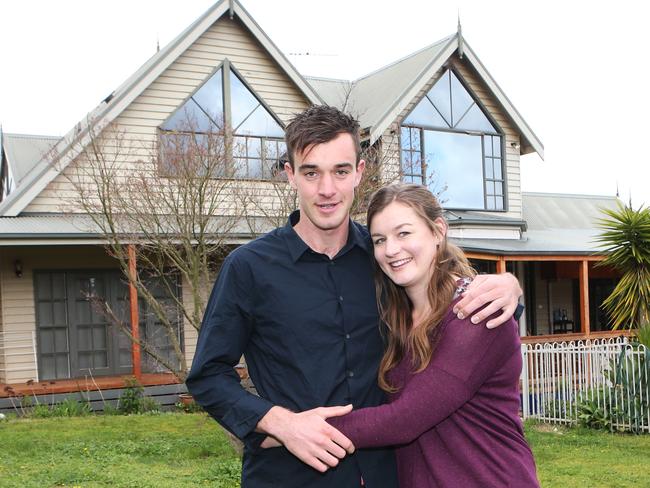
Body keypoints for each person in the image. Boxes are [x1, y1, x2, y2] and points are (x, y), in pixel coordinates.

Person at [185, 105, 523, 488]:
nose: (327, 189)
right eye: (311, 172)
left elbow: (451, 305)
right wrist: (282, 424)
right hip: (291, 477)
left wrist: (509, 287)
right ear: (290, 175)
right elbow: (208, 375)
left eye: (340, 171)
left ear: (359, 173)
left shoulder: (385, 257)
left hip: (386, 475)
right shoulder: (248, 268)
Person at [325, 183, 539, 487]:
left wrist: (295, 430)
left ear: (437, 231)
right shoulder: (394, 318)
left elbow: (405, 419)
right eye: (379, 240)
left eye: (404, 233)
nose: (391, 250)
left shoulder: (475, 312)